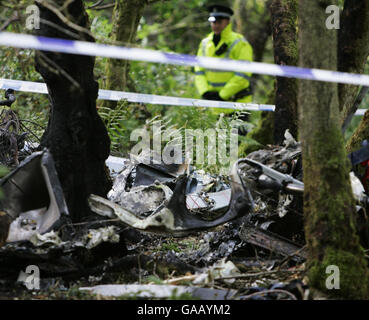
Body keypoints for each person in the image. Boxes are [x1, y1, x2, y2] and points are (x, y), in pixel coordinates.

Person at [195, 3, 253, 115]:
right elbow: (199, 70)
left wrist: (222, 95)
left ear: (228, 21)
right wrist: (205, 92)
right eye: (213, 21)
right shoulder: (204, 43)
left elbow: (243, 75)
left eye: (219, 21)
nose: (215, 25)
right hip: (214, 109)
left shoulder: (240, 43)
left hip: (238, 107)